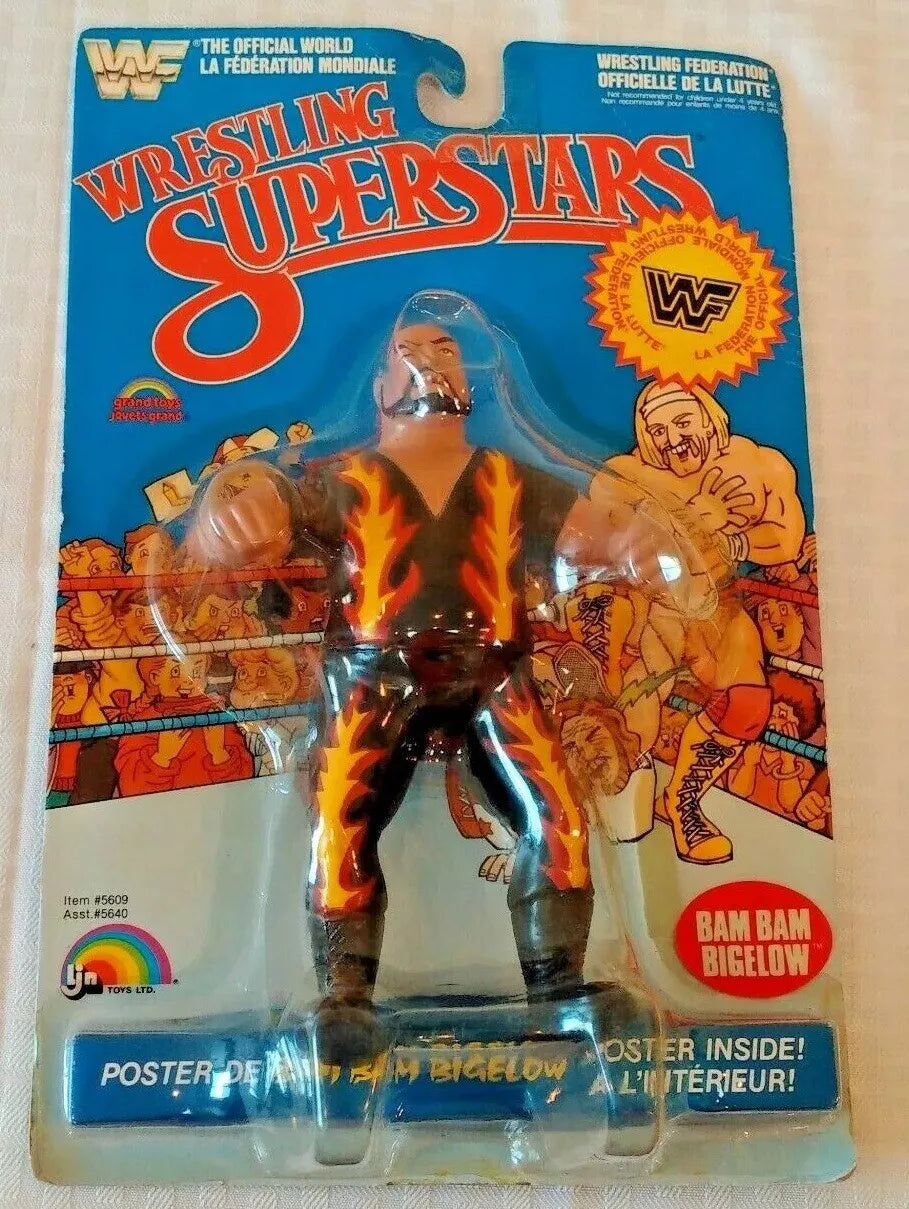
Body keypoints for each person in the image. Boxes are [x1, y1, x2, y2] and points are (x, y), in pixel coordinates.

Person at [186, 292, 717, 1059]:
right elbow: (266, 509)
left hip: (492, 671)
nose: (428, 365)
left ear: (471, 380)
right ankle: (344, 998)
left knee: (556, 813)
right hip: (371, 672)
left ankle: (558, 988)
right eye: (408, 355)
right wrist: (233, 501)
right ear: (379, 390)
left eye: (443, 352)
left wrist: (645, 546)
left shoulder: (509, 478)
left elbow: (592, 534)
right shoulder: (350, 480)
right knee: (341, 817)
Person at [604, 379, 806, 864]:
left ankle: (684, 800)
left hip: (721, 606)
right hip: (657, 609)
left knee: (747, 705)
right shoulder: (623, 475)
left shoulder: (759, 464)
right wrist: (682, 522)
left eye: (681, 422)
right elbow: (597, 541)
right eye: (657, 430)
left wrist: (733, 541)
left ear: (708, 419)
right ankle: (614, 800)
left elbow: (787, 540)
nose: (672, 439)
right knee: (638, 705)